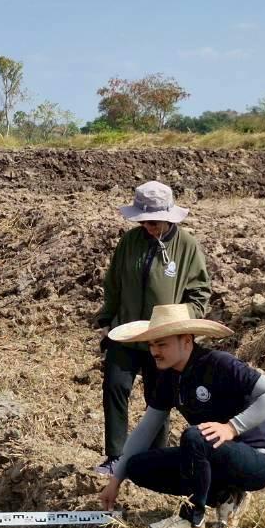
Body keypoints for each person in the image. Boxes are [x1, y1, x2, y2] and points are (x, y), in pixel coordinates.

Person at [98, 304, 265, 528]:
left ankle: (193, 521)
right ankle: (225, 496)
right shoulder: (169, 377)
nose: (155, 352)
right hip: (213, 456)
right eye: (152, 345)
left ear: (186, 341)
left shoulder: (219, 363)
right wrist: (116, 479)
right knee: (138, 466)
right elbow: (146, 429)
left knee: (195, 437)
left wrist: (232, 427)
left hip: (256, 459)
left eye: (162, 344)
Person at [93, 181, 210, 475]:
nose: (148, 227)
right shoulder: (130, 242)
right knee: (115, 387)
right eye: (143, 222)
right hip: (126, 332)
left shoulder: (187, 246)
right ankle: (115, 456)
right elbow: (114, 284)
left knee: (158, 400)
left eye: (154, 222)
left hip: (163, 337)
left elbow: (199, 294)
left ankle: (156, 462)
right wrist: (106, 320)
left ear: (169, 218)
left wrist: (179, 322)